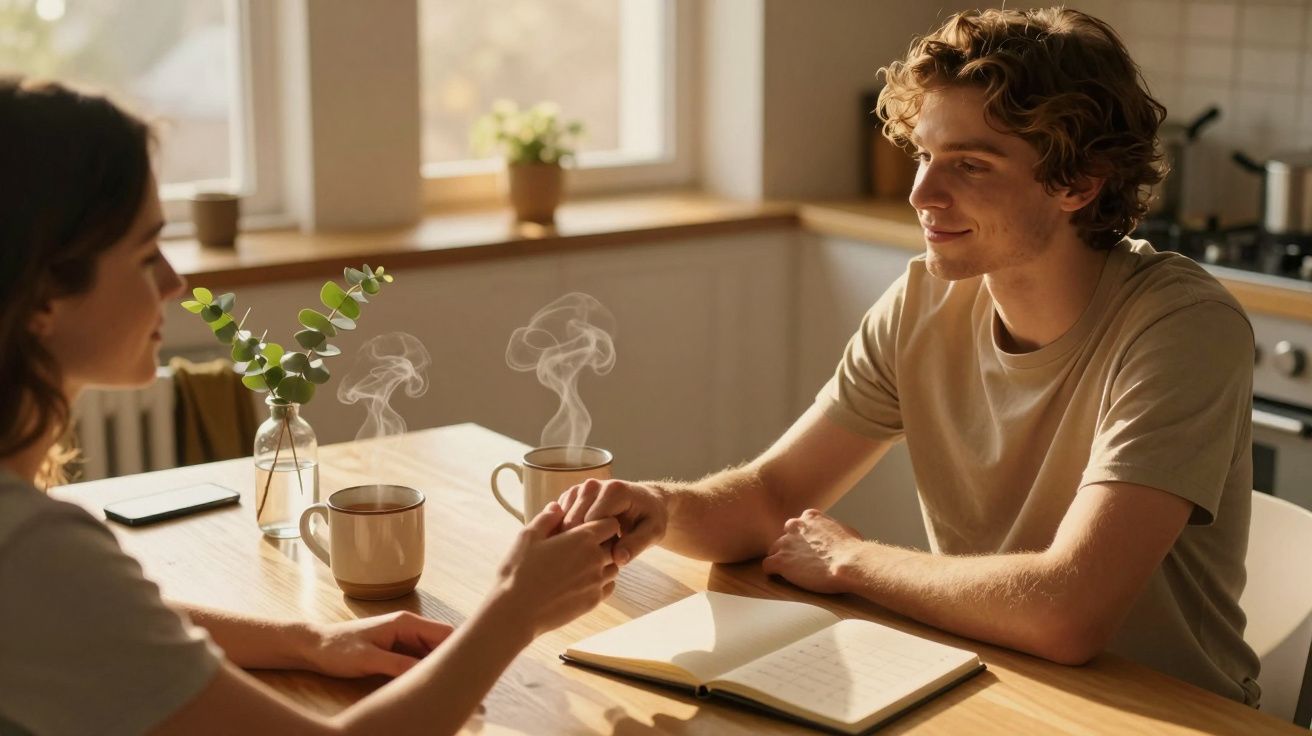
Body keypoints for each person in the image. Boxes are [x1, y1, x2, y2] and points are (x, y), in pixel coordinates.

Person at [558, 7, 1261, 706]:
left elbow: (1066, 613)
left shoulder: (1181, 327)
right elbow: (774, 497)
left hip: (1168, 714)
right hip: (994, 683)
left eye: (971, 164)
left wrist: (852, 561)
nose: (922, 193)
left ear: (1079, 184)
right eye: (924, 154)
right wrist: (658, 507)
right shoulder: (924, 299)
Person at [0, 77, 620, 735]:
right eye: (146, 252)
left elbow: (97, 620)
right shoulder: (30, 547)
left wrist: (307, 640)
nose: (175, 281)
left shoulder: (34, 554)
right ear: (43, 295)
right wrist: (515, 609)